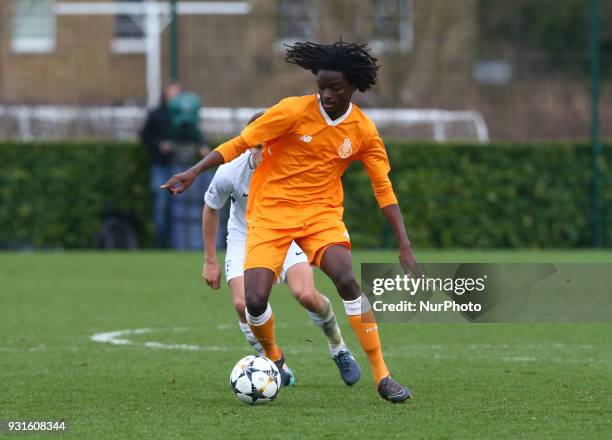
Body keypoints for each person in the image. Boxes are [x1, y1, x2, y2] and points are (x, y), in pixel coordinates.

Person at [162, 41, 420, 403]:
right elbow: (241, 142)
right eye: (321, 87)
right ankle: (274, 356)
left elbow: (384, 189)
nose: (326, 95)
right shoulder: (292, 111)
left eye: (335, 88)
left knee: (346, 278)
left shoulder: (363, 131)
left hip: (320, 217)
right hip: (269, 217)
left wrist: (404, 244)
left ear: (354, 87)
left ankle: (383, 375)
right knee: (253, 300)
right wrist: (193, 172)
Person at [201, 116, 360, 387]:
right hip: (245, 236)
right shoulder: (230, 171)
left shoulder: (293, 166)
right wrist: (210, 261)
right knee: (243, 303)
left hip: (287, 232)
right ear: (249, 145)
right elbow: (210, 208)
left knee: (306, 294)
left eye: (271, 144)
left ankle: (339, 347)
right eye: (259, 145)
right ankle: (274, 359)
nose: (266, 151)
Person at [140, 82, 181, 248]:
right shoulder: (156, 114)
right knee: (161, 204)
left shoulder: (182, 115)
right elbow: (145, 136)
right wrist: (159, 145)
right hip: (161, 165)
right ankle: (160, 243)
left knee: (178, 207)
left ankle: (178, 242)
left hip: (180, 166)